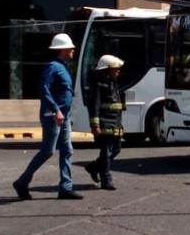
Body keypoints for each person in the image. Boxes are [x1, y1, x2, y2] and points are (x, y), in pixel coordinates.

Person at [13, 33, 81, 200]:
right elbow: (44, 89)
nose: (73, 50)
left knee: (67, 150)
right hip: (53, 115)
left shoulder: (63, 67)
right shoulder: (53, 67)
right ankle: (22, 182)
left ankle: (66, 187)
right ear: (64, 49)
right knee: (47, 151)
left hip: (62, 116)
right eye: (71, 48)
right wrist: (56, 110)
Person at [84, 55, 126, 191]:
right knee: (106, 152)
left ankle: (93, 167)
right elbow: (94, 106)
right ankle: (106, 179)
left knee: (116, 149)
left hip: (116, 124)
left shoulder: (114, 84)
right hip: (105, 124)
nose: (118, 70)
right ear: (107, 70)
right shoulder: (99, 85)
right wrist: (95, 125)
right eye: (116, 68)